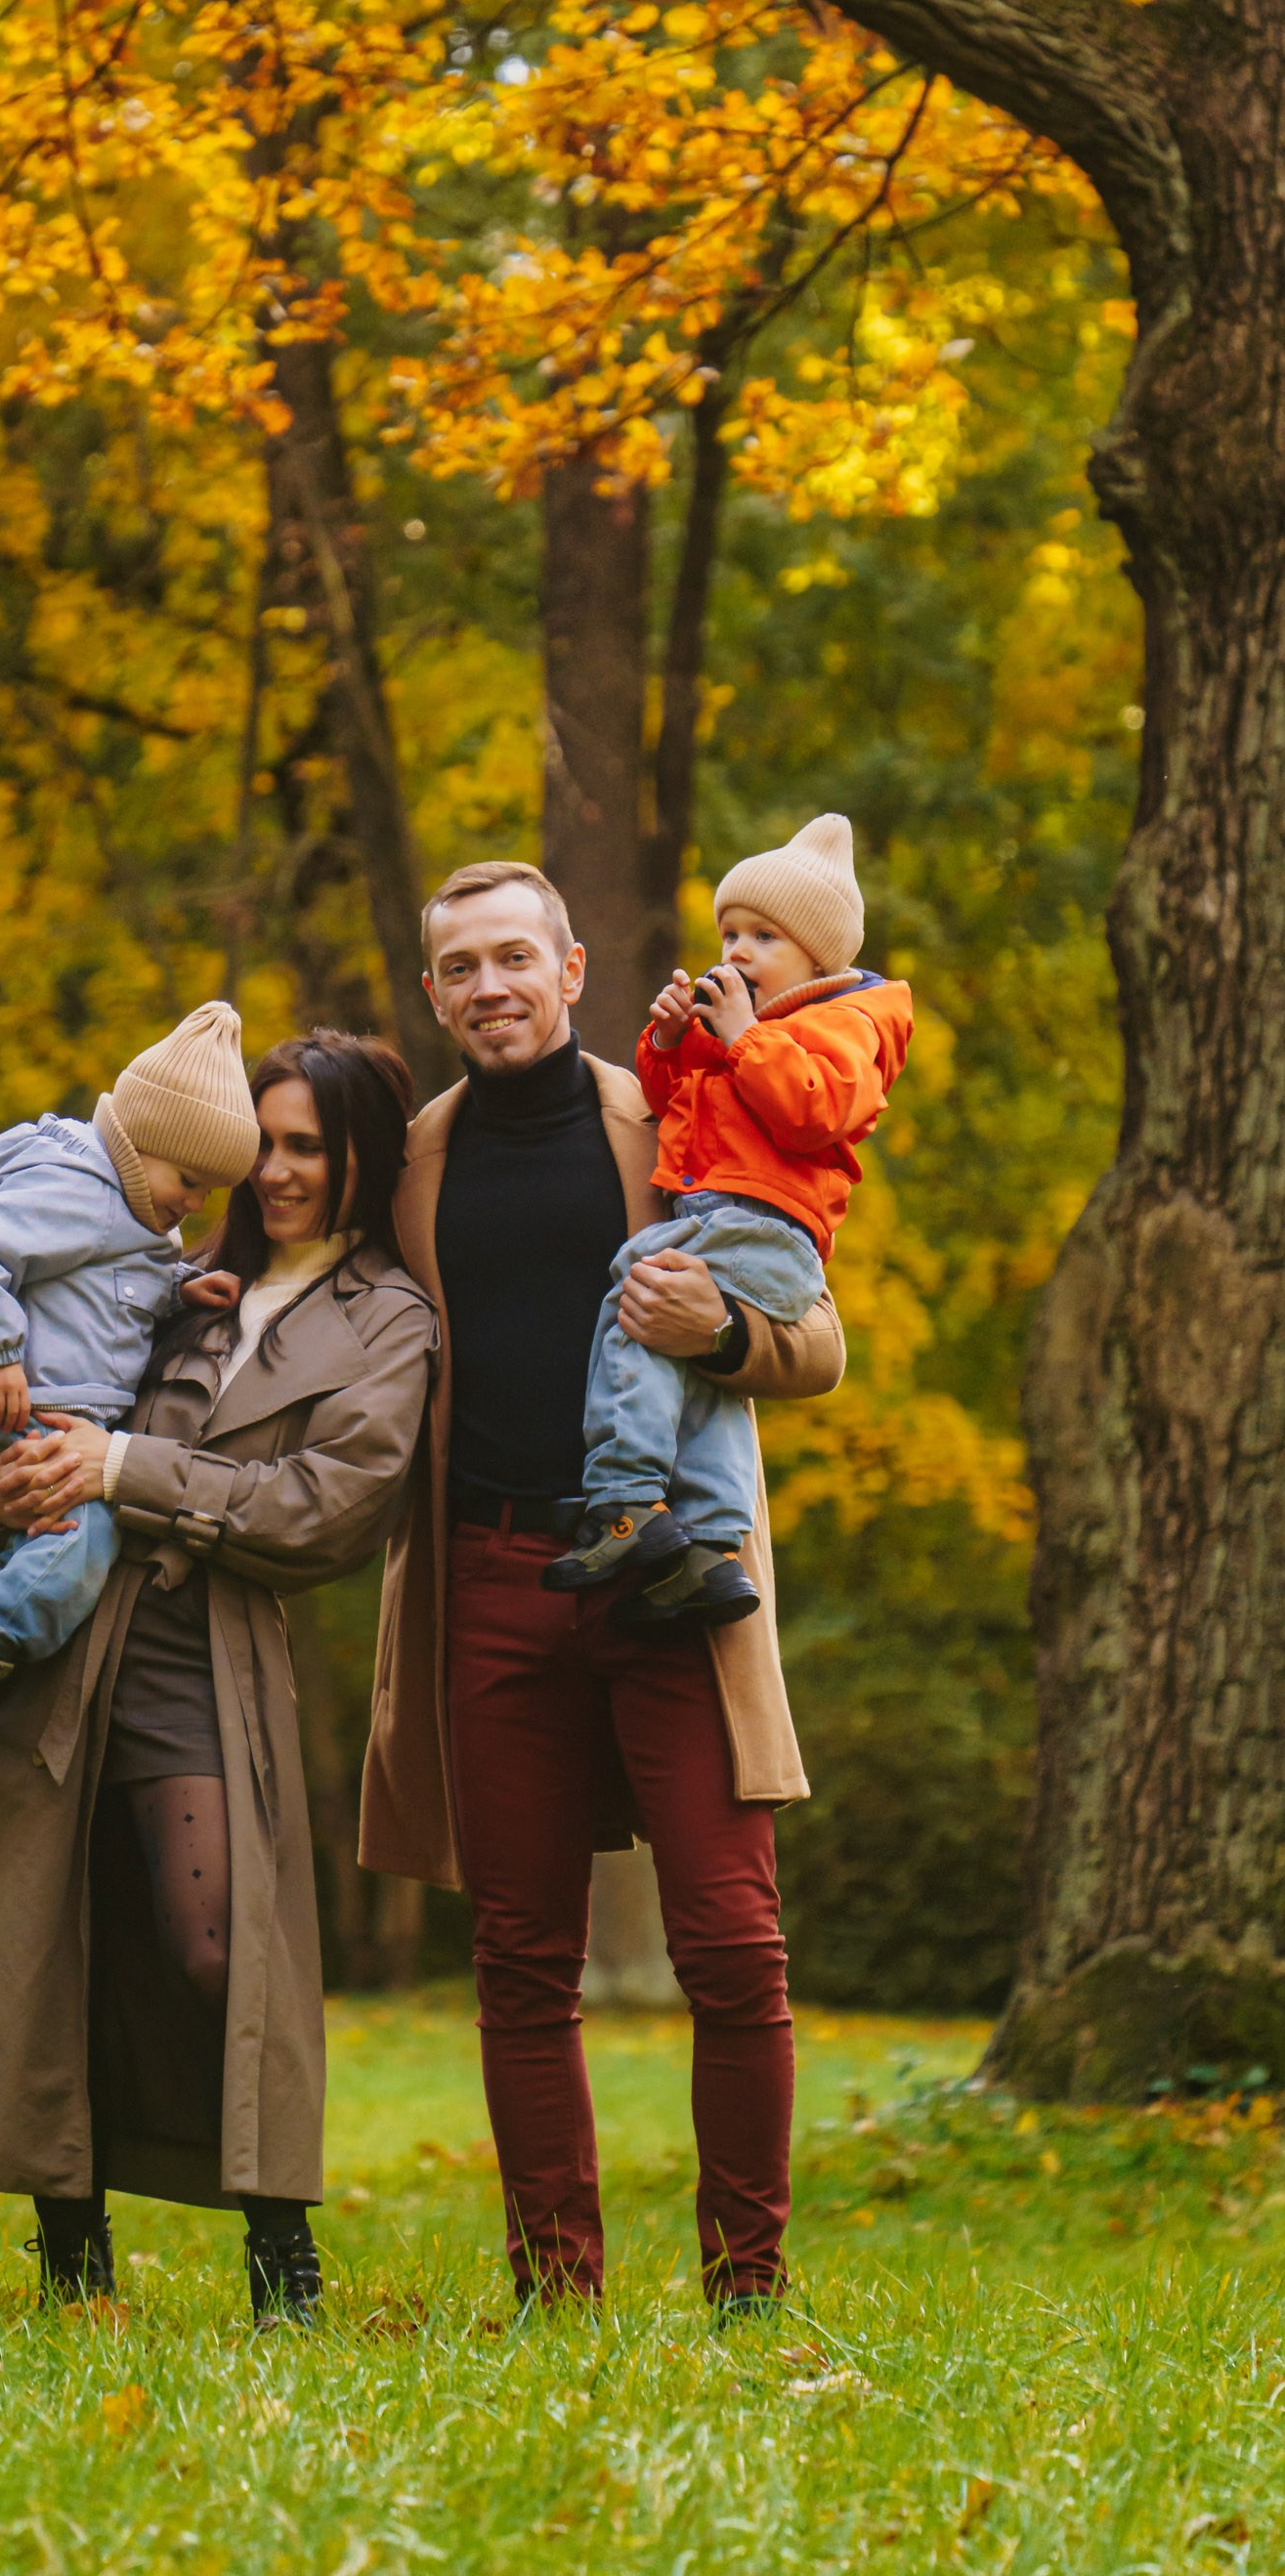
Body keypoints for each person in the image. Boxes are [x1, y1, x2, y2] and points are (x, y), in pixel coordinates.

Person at [0, 1031, 436, 2328]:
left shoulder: (391, 1324)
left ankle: (279, 2254)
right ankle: (75, 2266)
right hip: (59, 1631)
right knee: (49, 1931)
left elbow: (326, 1513)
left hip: (201, 1647)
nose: (282, 1173)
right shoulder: (171, 1265)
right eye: (269, 1145)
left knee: (210, 1950)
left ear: (362, 1159)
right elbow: (29, 1405)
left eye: (310, 1147)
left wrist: (127, 1468)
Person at [358, 857, 845, 2319]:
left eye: (519, 957)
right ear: (438, 993)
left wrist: (718, 1331)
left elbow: (817, 1341)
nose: (493, 986)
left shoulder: (683, 1110)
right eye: (464, 968)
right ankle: (557, 2293)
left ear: (573, 970)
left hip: (675, 1583)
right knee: (519, 1959)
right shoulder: (414, 1165)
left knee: (733, 1946)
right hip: (493, 1576)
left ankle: (747, 2287)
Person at [0, 1002, 256, 1780]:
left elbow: (104, 1287)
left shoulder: (124, 1210)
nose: (194, 1203)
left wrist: (179, 1289)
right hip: (25, 1405)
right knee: (80, 1546)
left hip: (52, 1408)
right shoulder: (82, 1192)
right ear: (144, 1147)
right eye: (190, 1181)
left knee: (47, 1552)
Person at [546, 814, 912, 1628]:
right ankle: (710, 1548)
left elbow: (815, 1111)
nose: (737, 951)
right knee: (700, 1376)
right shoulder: (754, 1029)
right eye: (729, 932)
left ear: (820, 956)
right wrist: (673, 1038)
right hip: (732, 1217)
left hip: (764, 1225)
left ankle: (625, 1498)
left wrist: (742, 1034)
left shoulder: (845, 1025)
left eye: (762, 936)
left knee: (636, 1297)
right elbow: (675, 1100)